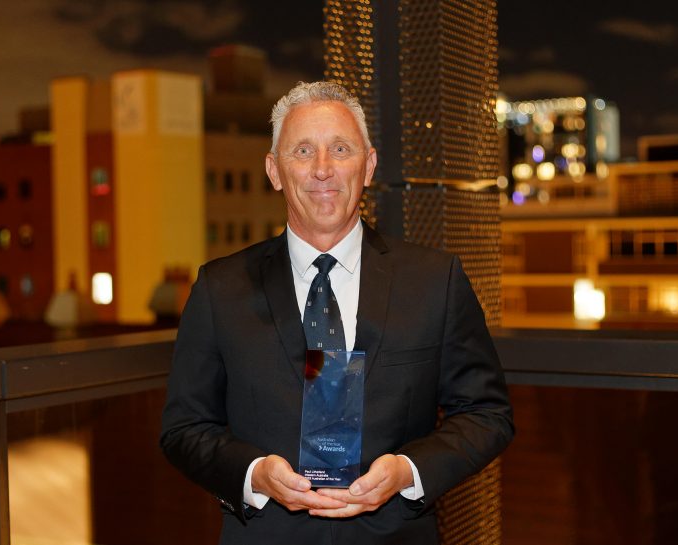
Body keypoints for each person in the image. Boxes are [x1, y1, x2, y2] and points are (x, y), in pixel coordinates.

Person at [160, 81, 514, 544]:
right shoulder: (218, 288)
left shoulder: (435, 281)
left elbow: (487, 412)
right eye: (303, 151)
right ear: (274, 170)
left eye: (340, 149)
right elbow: (184, 429)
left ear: (368, 166)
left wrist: (407, 471)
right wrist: (254, 475)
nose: (322, 169)